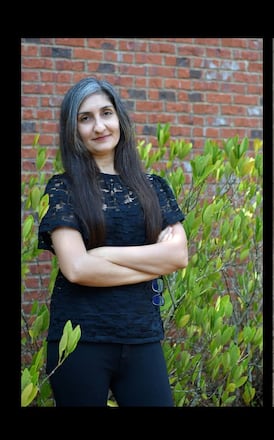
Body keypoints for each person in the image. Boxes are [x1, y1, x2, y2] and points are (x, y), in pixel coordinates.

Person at [37, 77, 189, 406]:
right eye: (85, 118)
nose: (99, 126)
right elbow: (77, 269)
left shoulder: (155, 187)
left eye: (106, 113)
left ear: (119, 117)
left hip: (143, 338)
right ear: (72, 129)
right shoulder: (62, 189)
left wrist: (103, 254)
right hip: (80, 341)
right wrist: (152, 265)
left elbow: (178, 256)